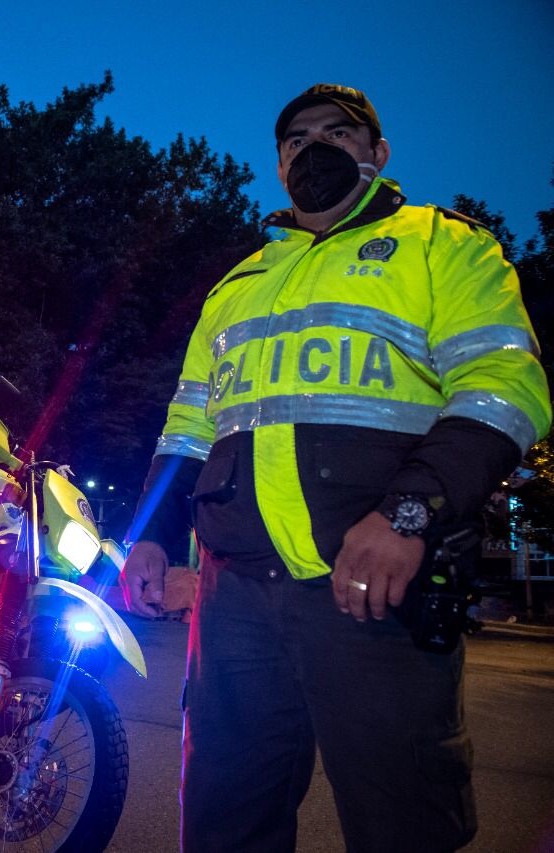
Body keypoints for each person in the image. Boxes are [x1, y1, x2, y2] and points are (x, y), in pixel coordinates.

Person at [121, 83, 550, 852]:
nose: (314, 146)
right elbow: (188, 425)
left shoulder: (442, 244)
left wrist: (408, 515)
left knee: (402, 823)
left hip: (372, 585)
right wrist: (149, 535)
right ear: (279, 166)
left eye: (337, 132)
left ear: (377, 154)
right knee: (224, 819)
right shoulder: (237, 283)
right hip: (235, 595)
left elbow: (504, 387)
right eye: (296, 139)